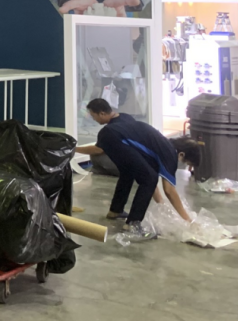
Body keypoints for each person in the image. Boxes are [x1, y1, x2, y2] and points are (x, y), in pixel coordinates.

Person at [74, 98, 200, 241]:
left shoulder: (160, 146)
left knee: (131, 173)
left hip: (116, 139)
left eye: (93, 116)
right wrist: (188, 220)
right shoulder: (169, 153)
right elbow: (169, 191)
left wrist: (161, 204)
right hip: (115, 140)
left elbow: (151, 175)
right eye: (185, 162)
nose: (181, 164)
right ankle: (132, 225)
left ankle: (116, 211)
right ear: (181, 154)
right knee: (148, 179)